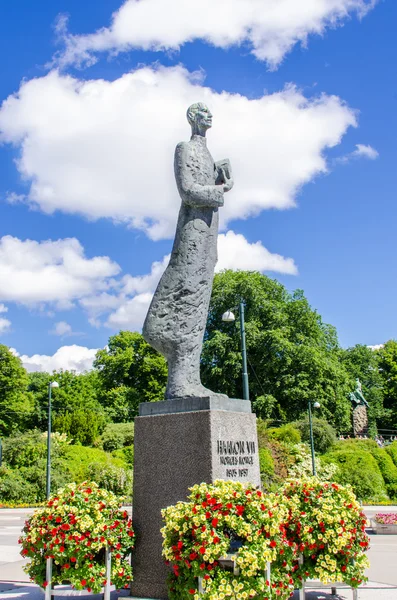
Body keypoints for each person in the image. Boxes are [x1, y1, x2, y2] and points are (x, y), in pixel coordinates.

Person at [143, 103, 234, 399]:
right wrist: (221, 192)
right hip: (192, 231)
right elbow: (188, 191)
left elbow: (204, 188)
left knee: (198, 302)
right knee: (186, 295)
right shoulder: (185, 148)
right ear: (192, 118)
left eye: (210, 112)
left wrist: (222, 182)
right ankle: (180, 380)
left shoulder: (208, 154)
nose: (210, 116)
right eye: (204, 112)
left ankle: (188, 380)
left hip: (207, 235)